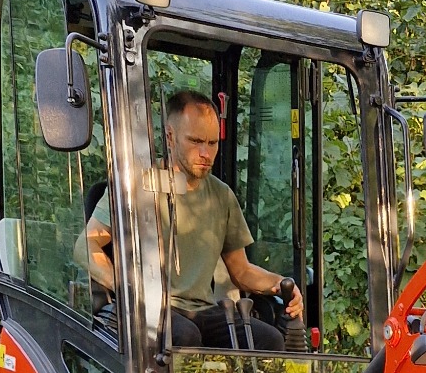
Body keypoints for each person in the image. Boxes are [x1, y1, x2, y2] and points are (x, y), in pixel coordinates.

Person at [85, 90, 305, 350]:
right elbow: (86, 246)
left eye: (212, 143)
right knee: (186, 337)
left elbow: (242, 270)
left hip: (204, 310)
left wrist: (278, 284)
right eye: (196, 141)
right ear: (170, 137)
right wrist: (124, 288)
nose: (205, 153)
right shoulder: (136, 184)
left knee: (270, 340)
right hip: (153, 308)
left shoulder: (221, 195)